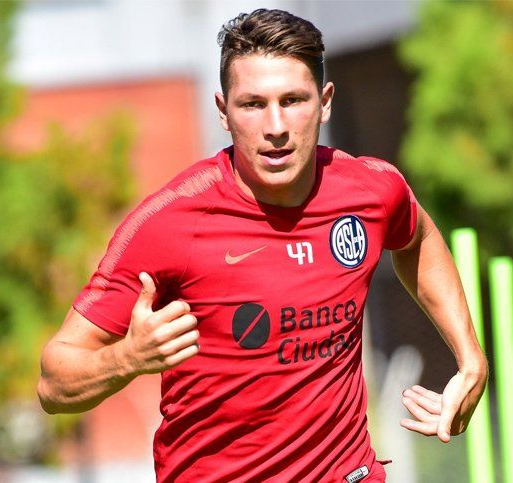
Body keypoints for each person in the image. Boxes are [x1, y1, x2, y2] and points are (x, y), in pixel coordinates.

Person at [36, 8, 488, 483]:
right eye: (253, 104)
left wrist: (469, 357)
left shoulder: (371, 190)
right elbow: (53, 382)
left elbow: (417, 237)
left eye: (293, 100)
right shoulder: (170, 223)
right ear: (223, 111)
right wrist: (127, 358)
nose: (276, 125)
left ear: (325, 102)